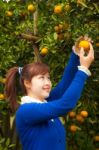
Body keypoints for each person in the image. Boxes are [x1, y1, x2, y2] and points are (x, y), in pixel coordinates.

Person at [5, 37, 94, 150]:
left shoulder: (45, 103)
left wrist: (76, 54)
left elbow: (63, 88)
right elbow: (65, 104)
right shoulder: (26, 111)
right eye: (41, 78)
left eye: (48, 78)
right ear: (27, 83)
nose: (47, 82)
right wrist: (83, 70)